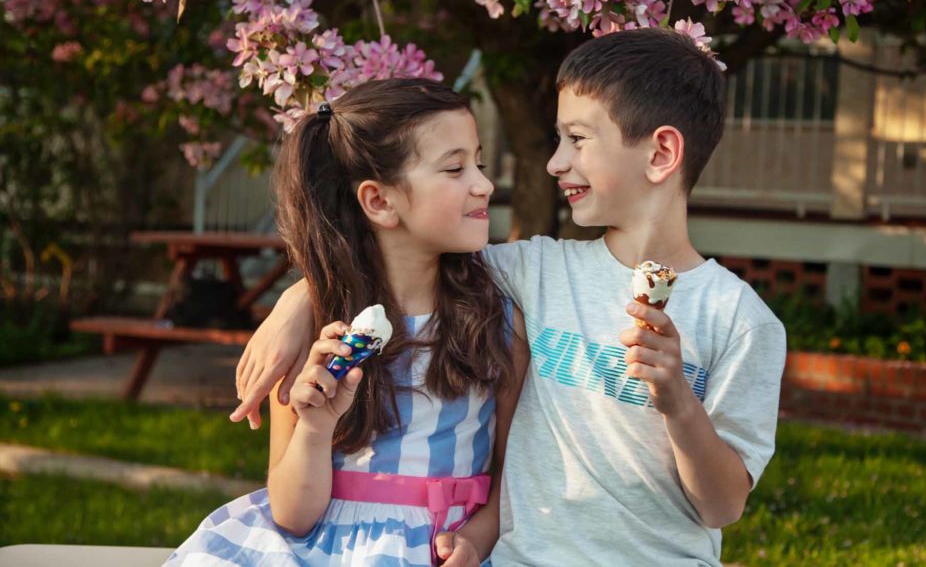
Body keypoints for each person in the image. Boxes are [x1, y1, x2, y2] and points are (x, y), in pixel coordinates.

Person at [233, 28, 786, 566]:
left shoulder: (740, 321)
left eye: (578, 139)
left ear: (661, 152)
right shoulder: (534, 270)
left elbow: (723, 506)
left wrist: (679, 405)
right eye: (558, 139)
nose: (554, 163)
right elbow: (398, 258)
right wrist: (301, 300)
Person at [167, 79, 528, 566]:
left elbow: (513, 470)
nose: (483, 183)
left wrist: (479, 537)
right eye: (455, 168)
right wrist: (314, 428)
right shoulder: (319, 337)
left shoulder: (496, 320)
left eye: (479, 164)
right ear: (379, 201)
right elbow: (293, 515)